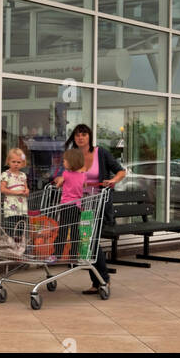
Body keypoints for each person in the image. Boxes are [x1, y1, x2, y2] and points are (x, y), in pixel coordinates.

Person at [67, 122, 127, 294]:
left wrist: (113, 181)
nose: (80, 137)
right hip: (78, 204)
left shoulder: (101, 153)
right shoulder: (72, 155)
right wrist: (60, 179)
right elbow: (62, 173)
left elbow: (120, 171)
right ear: (74, 138)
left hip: (98, 203)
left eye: (84, 135)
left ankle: (103, 280)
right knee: (85, 242)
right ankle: (98, 281)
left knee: (91, 241)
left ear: (89, 137)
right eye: (77, 135)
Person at [53, 145, 86, 261]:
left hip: (66, 206)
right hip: (77, 207)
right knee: (74, 231)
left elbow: (58, 184)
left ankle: (57, 254)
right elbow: (83, 186)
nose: (63, 162)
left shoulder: (66, 174)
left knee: (62, 230)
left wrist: (57, 182)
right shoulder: (83, 176)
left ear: (71, 162)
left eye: (65, 161)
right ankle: (73, 255)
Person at [0, 147, 29, 239]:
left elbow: (26, 189)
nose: (16, 164)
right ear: (8, 161)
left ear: (22, 163)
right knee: (11, 229)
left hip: (22, 207)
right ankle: (10, 247)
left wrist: (26, 191)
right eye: (13, 161)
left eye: (18, 162)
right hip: (11, 207)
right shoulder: (6, 174)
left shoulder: (23, 175)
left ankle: (18, 248)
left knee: (21, 229)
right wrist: (16, 192)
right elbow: (2, 189)